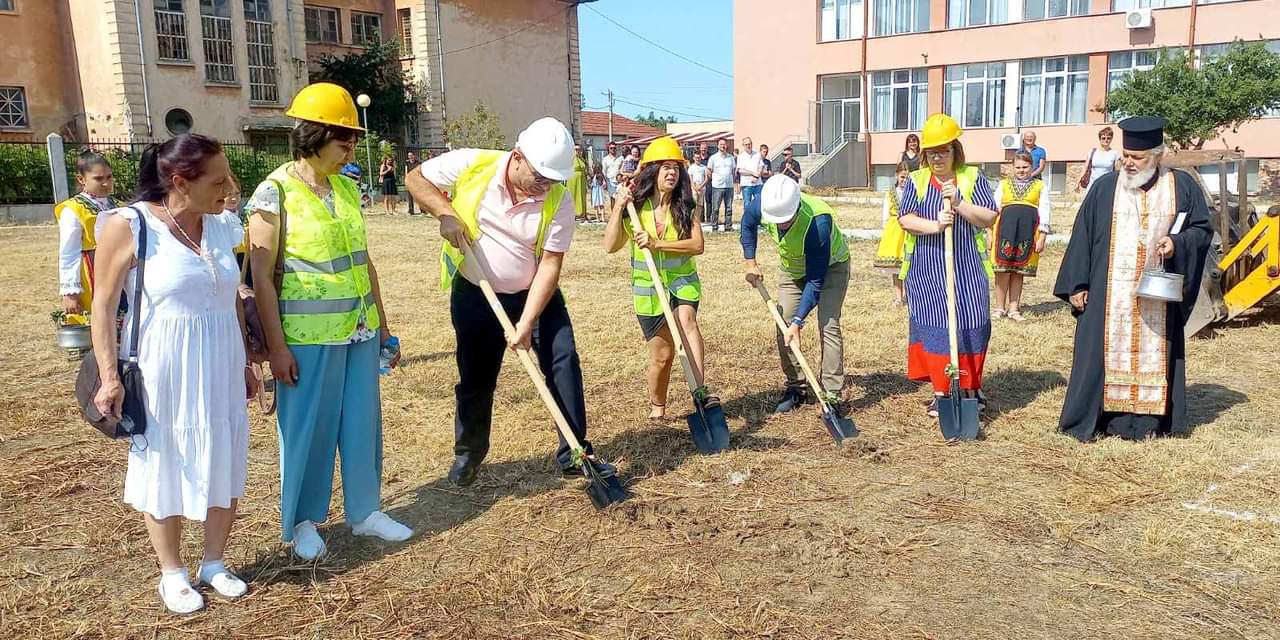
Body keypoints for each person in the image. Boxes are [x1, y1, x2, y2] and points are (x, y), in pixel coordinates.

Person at [90, 134, 255, 614]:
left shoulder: (223, 226)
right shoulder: (131, 225)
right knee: (166, 461)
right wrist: (109, 375)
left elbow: (231, 299)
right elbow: (102, 306)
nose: (228, 187)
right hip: (165, 366)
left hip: (222, 360)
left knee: (224, 453)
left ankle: (214, 562)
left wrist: (245, 361)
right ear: (180, 181)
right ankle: (172, 572)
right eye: (218, 179)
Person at [247, 82, 411, 561]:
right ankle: (301, 521)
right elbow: (262, 276)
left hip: (358, 330)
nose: (350, 150)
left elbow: (364, 261)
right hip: (305, 337)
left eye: (353, 141)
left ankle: (366, 512)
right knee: (307, 430)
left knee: (363, 424)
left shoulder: (347, 187)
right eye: (344, 141)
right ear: (313, 135)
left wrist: (382, 327)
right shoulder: (273, 192)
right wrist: (277, 348)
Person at [407, 116, 612, 487]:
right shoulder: (474, 163)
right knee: (476, 377)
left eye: (552, 180)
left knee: (563, 361)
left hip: (536, 294)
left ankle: (575, 451)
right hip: (476, 293)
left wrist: (527, 322)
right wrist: (445, 213)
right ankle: (468, 454)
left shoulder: (559, 201)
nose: (544, 186)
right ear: (517, 157)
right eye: (539, 177)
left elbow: (551, 264)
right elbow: (415, 178)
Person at [1054, 116, 1212, 442]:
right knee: (1097, 354)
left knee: (1155, 352)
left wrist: (1176, 244)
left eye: (1137, 158)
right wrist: (1078, 285)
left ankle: (1147, 423)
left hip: (1157, 293)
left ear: (1157, 156)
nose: (1128, 162)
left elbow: (1201, 230)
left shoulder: (1180, 186)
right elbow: (1082, 237)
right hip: (1107, 293)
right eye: (1125, 155)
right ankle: (1097, 419)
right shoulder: (1104, 188)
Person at [604, 136, 714, 421]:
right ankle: (658, 405)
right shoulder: (635, 209)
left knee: (688, 323)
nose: (672, 173)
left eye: (676, 167)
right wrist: (618, 207)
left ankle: (699, 393)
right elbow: (610, 245)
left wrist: (657, 244)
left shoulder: (685, 206)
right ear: (652, 171)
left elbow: (697, 246)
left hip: (682, 283)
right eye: (665, 167)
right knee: (662, 356)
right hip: (649, 291)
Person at [897, 113, 999, 418]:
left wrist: (959, 204)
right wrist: (935, 225)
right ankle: (942, 391)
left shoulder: (972, 177)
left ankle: (971, 388)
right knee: (936, 328)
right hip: (927, 271)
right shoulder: (916, 181)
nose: (938, 157)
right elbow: (905, 219)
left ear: (956, 150)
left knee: (972, 324)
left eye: (944, 150)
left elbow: (990, 216)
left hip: (966, 268)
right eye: (932, 152)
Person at [743, 175, 852, 413]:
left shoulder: (817, 222)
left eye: (786, 220)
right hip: (792, 269)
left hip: (830, 267)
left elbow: (815, 281)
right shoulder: (764, 201)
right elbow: (747, 225)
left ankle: (832, 394)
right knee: (783, 324)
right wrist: (751, 262)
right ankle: (797, 387)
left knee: (829, 324)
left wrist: (799, 322)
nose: (781, 224)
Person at [55, 151, 119, 325]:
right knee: (99, 316)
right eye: (98, 179)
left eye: (109, 177)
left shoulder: (114, 204)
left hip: (116, 267)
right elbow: (68, 252)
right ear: (81, 179)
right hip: (92, 269)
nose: (106, 183)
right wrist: (70, 292)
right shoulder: (73, 209)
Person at [991, 152, 1051, 321]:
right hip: (1005, 230)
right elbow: (993, 208)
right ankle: (999, 307)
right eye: (1018, 167)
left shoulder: (1040, 186)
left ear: (1031, 167)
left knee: (1018, 271)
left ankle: (1013, 308)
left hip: (1028, 231)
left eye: (1025, 167)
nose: (1021, 170)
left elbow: (1045, 211)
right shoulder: (1003, 184)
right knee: (1002, 271)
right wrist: (989, 232)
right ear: (1012, 167)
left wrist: (1042, 236)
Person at [874, 161, 911, 306]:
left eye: (907, 178)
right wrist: (886, 231)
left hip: (909, 230)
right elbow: (885, 214)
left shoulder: (912, 192)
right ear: (897, 176)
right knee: (896, 268)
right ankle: (898, 297)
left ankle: (909, 296)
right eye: (902, 177)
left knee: (909, 265)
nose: (904, 181)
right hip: (895, 231)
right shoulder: (890, 193)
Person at [1080, 126, 1121, 194]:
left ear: (1111, 139)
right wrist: (1079, 181)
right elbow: (1085, 168)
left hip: (1106, 186)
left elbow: (1117, 173)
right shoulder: (1092, 152)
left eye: (1108, 138)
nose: (1106, 140)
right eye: (1103, 138)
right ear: (1100, 139)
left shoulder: (1115, 154)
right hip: (1092, 185)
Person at [707, 138, 736, 231]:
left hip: (729, 186)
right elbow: (709, 171)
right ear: (718, 146)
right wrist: (715, 179)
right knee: (715, 208)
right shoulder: (713, 158)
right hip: (717, 187)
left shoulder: (731, 158)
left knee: (729, 208)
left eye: (724, 144)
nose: (723, 146)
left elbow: (733, 170)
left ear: (726, 145)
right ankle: (714, 226)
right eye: (721, 144)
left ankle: (728, 226)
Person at [737, 138, 763, 211]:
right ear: (743, 145)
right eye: (746, 144)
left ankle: (758, 220)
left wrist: (756, 176)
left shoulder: (757, 154)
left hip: (758, 184)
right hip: (746, 184)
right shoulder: (741, 156)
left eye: (750, 144)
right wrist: (752, 173)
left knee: (759, 203)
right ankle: (748, 221)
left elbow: (761, 166)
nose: (748, 146)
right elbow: (740, 170)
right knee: (747, 204)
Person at [567, 143, 589, 220]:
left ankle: (582, 214)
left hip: (582, 180)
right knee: (573, 195)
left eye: (579, 149)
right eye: (576, 150)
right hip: (572, 180)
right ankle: (573, 214)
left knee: (582, 196)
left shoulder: (582, 159)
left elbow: (586, 168)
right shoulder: (570, 159)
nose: (578, 151)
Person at [688, 151, 708, 222]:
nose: (697, 159)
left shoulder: (704, 167)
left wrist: (701, 186)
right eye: (696, 158)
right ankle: (692, 219)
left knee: (700, 204)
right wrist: (695, 187)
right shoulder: (691, 167)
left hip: (702, 187)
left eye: (699, 157)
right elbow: (690, 179)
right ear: (693, 158)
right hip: (694, 187)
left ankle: (698, 220)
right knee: (694, 204)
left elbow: (706, 179)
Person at [405, 151, 423, 215]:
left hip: (417, 181)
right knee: (410, 196)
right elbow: (406, 173)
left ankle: (422, 210)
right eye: (409, 155)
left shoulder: (418, 163)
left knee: (419, 196)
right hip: (410, 181)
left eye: (411, 155)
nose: (410, 157)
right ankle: (411, 210)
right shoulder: (407, 163)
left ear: (414, 156)